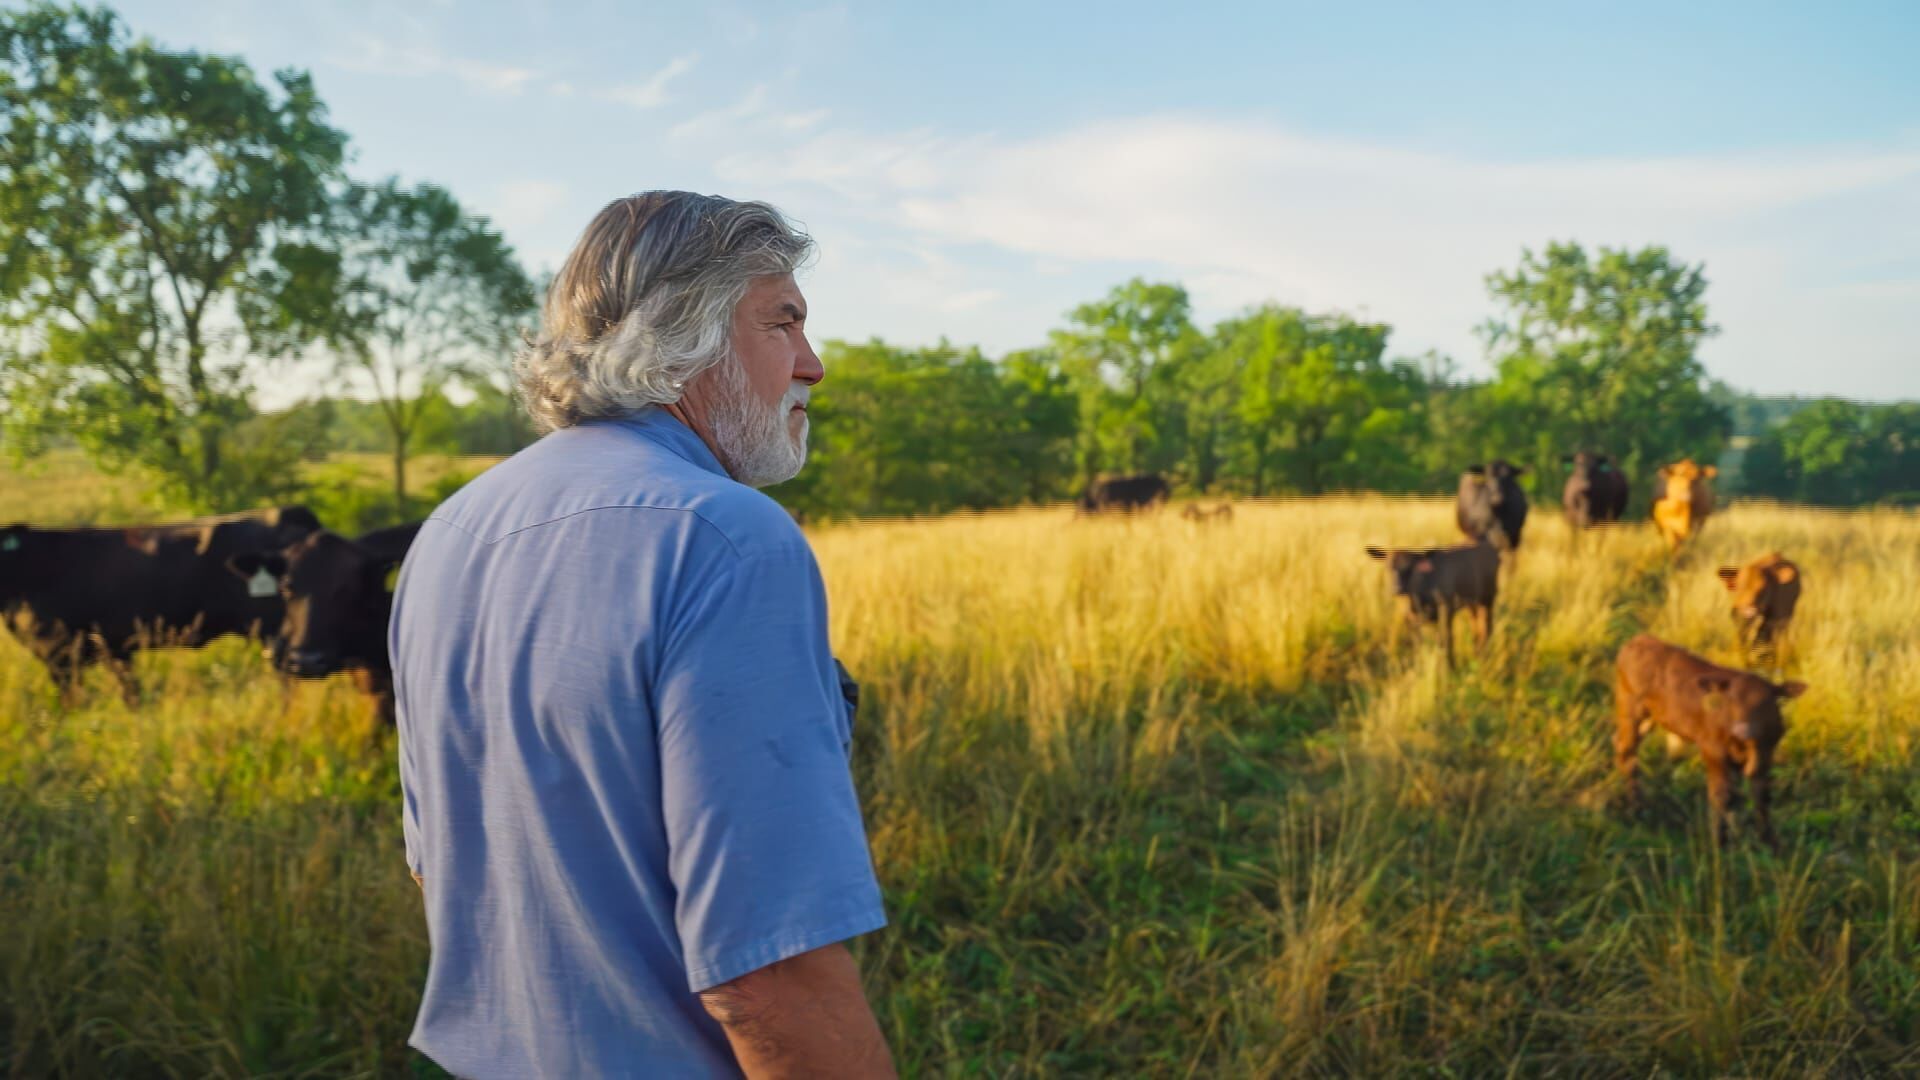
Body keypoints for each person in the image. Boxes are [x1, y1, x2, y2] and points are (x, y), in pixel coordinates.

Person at [389, 192, 894, 1078]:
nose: (813, 365)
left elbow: (440, 874)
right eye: (784, 324)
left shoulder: (450, 532)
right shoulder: (727, 538)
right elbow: (768, 968)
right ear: (682, 334)